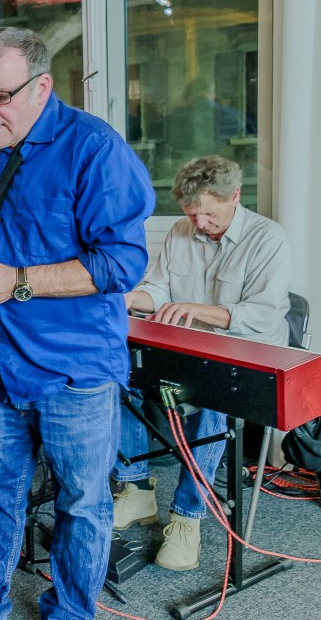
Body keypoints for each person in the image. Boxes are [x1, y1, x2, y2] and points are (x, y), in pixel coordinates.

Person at [0, 27, 155, 619]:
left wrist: (15, 281)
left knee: (81, 504)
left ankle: (71, 611)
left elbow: (121, 264)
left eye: (0, 96)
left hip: (74, 367)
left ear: (42, 87)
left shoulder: (95, 148)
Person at [112, 155, 291, 571]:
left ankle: (186, 517)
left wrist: (194, 309)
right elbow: (158, 290)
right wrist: (126, 299)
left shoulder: (268, 238)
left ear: (235, 196)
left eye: (209, 214)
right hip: (188, 348)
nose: (200, 223)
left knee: (212, 399)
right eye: (192, 214)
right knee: (117, 371)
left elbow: (262, 316)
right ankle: (137, 490)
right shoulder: (181, 230)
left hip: (245, 355)